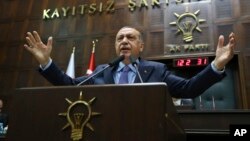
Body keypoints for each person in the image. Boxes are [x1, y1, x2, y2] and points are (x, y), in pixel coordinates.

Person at [24, 26, 236, 98]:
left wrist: (216, 65)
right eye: (120, 38)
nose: (124, 41)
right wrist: (47, 63)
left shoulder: (156, 71)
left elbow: (189, 89)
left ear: (141, 46)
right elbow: (70, 87)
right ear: (116, 46)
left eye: (130, 37)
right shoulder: (101, 72)